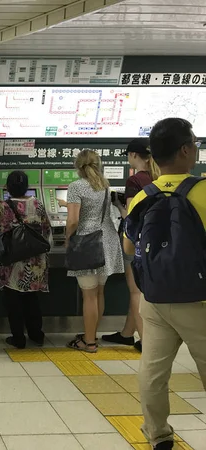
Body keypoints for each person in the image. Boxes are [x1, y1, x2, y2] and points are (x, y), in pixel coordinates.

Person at [125, 118, 206, 450]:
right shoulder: (202, 190)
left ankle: (158, 433)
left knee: (153, 372)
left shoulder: (142, 196)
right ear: (185, 150)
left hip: (155, 299)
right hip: (198, 300)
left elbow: (130, 247)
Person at [103, 139, 160, 353]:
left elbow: (130, 215)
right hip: (154, 241)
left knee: (135, 292)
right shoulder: (158, 177)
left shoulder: (135, 181)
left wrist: (118, 205)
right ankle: (127, 334)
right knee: (138, 291)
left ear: (134, 155)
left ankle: (145, 341)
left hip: (134, 240)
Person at [66, 150, 124, 353]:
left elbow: (73, 221)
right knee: (99, 293)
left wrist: (67, 239)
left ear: (78, 167)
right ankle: (92, 335)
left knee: (88, 296)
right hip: (107, 240)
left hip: (87, 243)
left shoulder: (76, 187)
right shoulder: (105, 186)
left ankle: (88, 342)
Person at [0, 171, 52, 349]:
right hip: (35, 260)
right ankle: (36, 334)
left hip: (13, 261)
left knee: (13, 300)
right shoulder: (38, 204)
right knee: (31, 298)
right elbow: (46, 230)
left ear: (8, 187)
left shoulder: (4, 206)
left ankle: (18, 337)